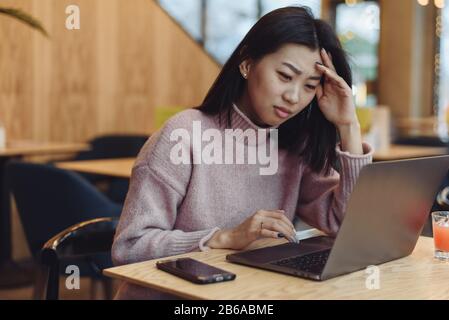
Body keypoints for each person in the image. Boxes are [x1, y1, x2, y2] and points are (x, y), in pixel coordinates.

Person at [111, 6, 373, 299]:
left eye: (310, 86)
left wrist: (348, 125)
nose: (294, 96)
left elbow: (346, 226)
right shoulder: (183, 134)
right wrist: (226, 237)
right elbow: (130, 247)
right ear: (247, 64)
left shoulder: (294, 146)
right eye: (285, 76)